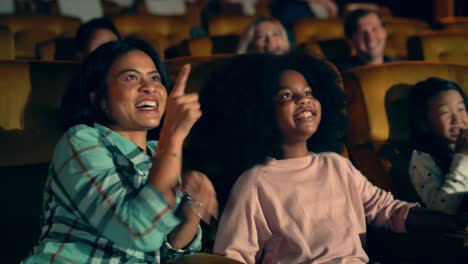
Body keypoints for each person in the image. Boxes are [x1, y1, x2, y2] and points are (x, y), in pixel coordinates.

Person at [186, 52, 468, 263]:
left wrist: (450, 222)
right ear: (259, 111)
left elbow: (390, 210)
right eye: (287, 95)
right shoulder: (255, 183)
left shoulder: (337, 165)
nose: (304, 100)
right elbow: (232, 258)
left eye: (308, 92)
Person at [22, 38, 218, 263]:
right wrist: (172, 137)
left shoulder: (159, 153)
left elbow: (167, 253)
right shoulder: (81, 141)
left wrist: (192, 207)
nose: (149, 87)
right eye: (131, 77)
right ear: (100, 99)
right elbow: (138, 232)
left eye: (155, 78)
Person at [408, 77, 468, 215]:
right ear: (424, 121)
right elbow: (442, 209)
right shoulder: (422, 160)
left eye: (461, 109)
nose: (457, 119)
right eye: (444, 112)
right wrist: (463, 157)